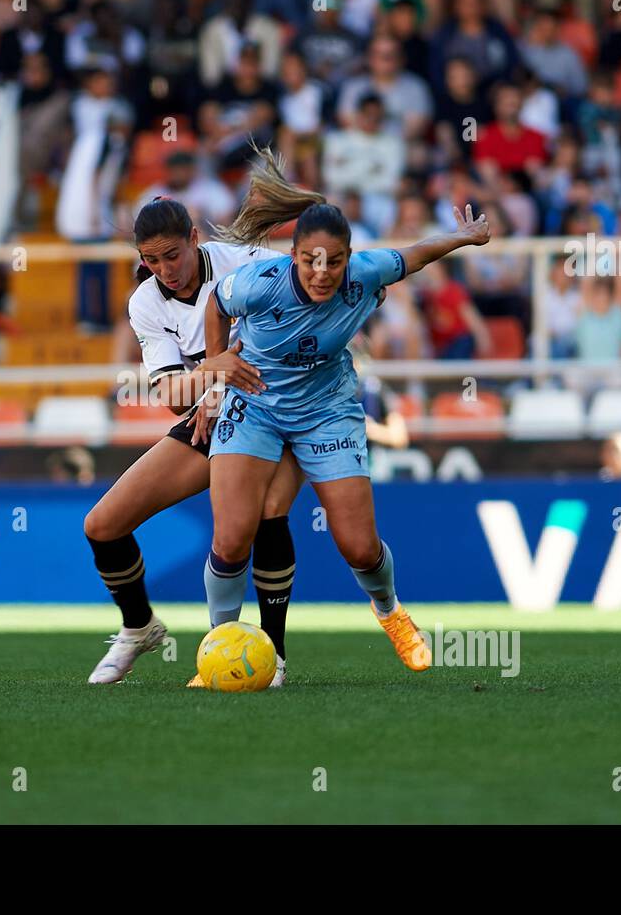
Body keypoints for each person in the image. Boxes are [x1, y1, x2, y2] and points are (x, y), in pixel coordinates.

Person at [196, 159, 491, 674]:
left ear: (349, 258)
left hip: (327, 410)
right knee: (229, 538)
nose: (321, 272)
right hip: (257, 403)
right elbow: (216, 307)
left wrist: (463, 237)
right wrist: (217, 365)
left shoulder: (366, 273)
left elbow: (417, 254)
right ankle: (220, 650)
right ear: (292, 256)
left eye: (333, 261)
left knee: (358, 546)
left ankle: (391, 613)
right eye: (310, 260)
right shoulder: (257, 282)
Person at [84, 193, 302, 688]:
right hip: (210, 419)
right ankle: (139, 627)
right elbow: (172, 396)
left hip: (279, 408)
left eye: (173, 255)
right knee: (103, 525)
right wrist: (211, 375)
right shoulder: (145, 302)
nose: (165, 269)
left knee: (268, 512)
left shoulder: (246, 262)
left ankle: (275, 654)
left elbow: (306, 307)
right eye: (151, 260)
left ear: (195, 240)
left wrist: (216, 386)